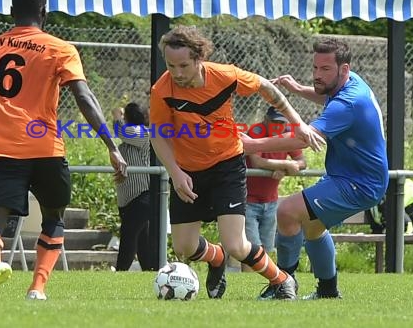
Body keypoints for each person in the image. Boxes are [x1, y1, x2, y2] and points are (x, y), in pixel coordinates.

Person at [0, 0, 127, 301]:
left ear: (11, 11)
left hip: (3, 152)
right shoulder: (60, 48)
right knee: (54, 217)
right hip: (46, 149)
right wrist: (111, 145)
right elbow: (84, 97)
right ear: (44, 12)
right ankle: (37, 288)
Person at [149, 25, 324, 300]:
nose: (178, 73)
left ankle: (282, 280)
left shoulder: (225, 76)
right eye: (171, 65)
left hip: (226, 165)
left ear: (199, 58)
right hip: (188, 172)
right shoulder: (162, 90)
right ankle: (215, 257)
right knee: (184, 247)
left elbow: (267, 88)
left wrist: (298, 123)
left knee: (237, 245)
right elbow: (158, 135)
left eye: (184, 65)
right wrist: (175, 172)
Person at [242, 37, 389, 299]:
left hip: (359, 183)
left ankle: (283, 284)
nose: (317, 75)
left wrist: (252, 146)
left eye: (325, 70)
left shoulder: (349, 102)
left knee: (286, 211)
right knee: (313, 227)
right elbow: (327, 97)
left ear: (343, 69)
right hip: (354, 178)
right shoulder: (349, 82)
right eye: (315, 68)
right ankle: (328, 290)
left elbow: (305, 138)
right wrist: (298, 88)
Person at [242, 106, 306, 272]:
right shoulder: (255, 131)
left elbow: (302, 162)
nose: (278, 126)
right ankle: (247, 281)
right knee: (252, 249)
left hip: (271, 201)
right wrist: (285, 165)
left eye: (282, 123)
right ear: (266, 119)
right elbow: (257, 162)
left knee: (268, 248)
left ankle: (266, 283)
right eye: (275, 122)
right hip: (248, 200)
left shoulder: (288, 134)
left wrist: (286, 168)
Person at [111, 103, 151, 271]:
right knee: (142, 242)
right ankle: (151, 270)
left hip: (142, 196)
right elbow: (114, 149)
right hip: (127, 200)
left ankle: (121, 271)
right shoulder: (126, 143)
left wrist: (116, 117)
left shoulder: (143, 133)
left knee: (128, 235)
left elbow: (121, 131)